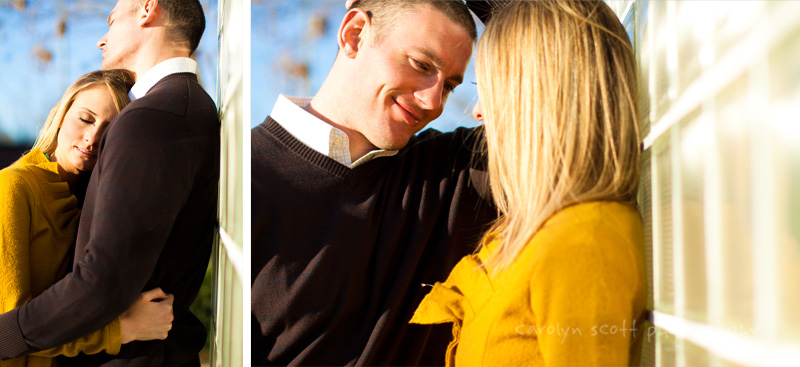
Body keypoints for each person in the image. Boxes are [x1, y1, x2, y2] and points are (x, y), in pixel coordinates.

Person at [251, 0, 497, 365]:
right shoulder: (240, 173)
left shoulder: (458, 173)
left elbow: (582, 75)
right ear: (354, 34)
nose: (433, 102)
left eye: (448, 86)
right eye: (422, 65)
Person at [411, 1, 646, 366]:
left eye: (492, 88)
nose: (478, 111)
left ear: (543, 96)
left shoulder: (584, 240)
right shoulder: (539, 229)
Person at [0, 0, 220, 366]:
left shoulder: (152, 118)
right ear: (62, 113)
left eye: (112, 20)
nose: (101, 40)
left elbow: (101, 283)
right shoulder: (186, 109)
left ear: (148, 9)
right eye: (85, 119)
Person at [0, 70, 175, 367]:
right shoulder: (13, 187)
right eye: (85, 118)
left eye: (109, 131)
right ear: (61, 113)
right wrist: (119, 331)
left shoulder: (93, 204)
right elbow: (10, 330)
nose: (92, 138)